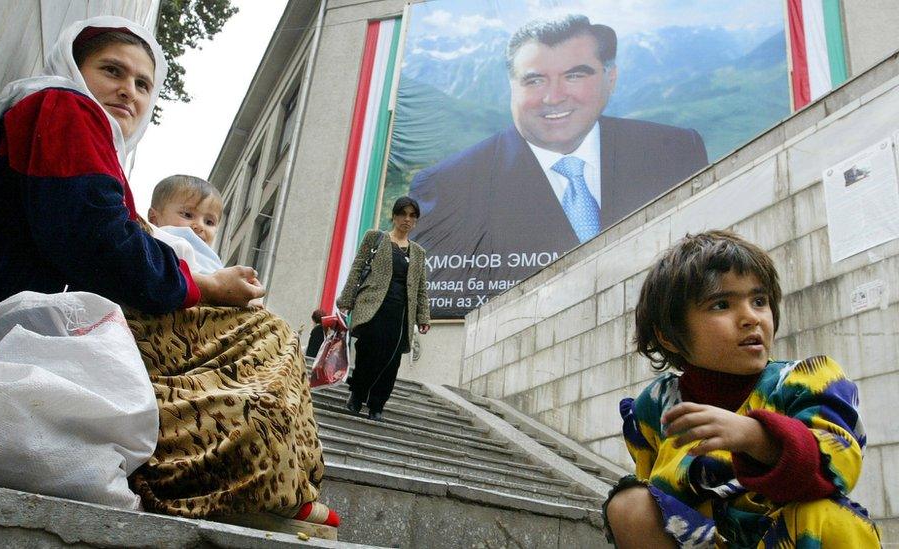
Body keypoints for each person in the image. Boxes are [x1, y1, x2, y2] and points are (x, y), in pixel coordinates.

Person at [0, 17, 337, 527]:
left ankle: (274, 477)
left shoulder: (77, 123)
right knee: (262, 333)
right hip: (1, 327)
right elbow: (99, 242)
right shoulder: (65, 107)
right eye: (112, 71)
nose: (128, 90)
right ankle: (244, 475)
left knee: (255, 336)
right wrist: (206, 285)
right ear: (74, 71)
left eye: (143, 84)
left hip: (32, 319)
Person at [409, 14, 708, 317]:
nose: (553, 97)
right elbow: (437, 306)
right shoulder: (447, 187)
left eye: (575, 75)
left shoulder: (676, 152)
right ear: (512, 86)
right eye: (535, 80)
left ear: (611, 78)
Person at [604, 230, 879, 547]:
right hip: (707, 541)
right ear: (668, 335)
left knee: (826, 516)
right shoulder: (654, 407)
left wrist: (757, 438)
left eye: (759, 301)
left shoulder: (805, 380)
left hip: (783, 537)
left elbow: (837, 470)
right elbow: (655, 499)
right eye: (721, 304)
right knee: (630, 504)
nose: (751, 317)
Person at [336, 197, 430, 421]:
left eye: (412, 216)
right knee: (368, 351)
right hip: (373, 306)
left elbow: (420, 289)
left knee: (392, 360)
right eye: (403, 214)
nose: (407, 219)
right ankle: (357, 396)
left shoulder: (418, 252)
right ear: (394, 216)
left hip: (401, 314)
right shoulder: (375, 238)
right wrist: (346, 300)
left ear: (415, 221)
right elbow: (357, 268)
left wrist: (423, 316)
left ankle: (377, 405)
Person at [147, 174, 225, 274]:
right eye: (187, 215)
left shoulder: (212, 260)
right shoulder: (157, 242)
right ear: (154, 218)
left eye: (209, 222)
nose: (200, 225)